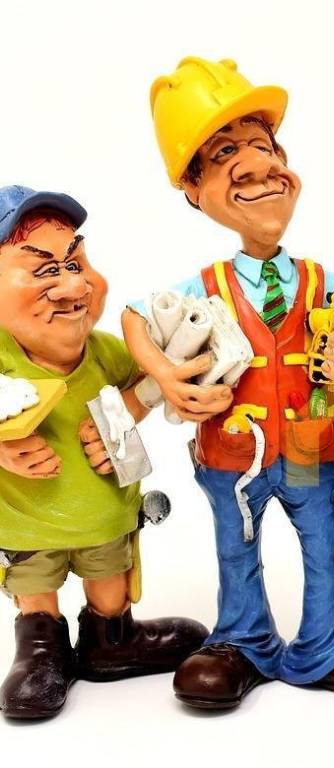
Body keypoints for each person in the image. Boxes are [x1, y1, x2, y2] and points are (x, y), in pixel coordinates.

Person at [121, 56, 334, 711]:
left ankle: (328, 646)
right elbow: (134, 319)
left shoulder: (320, 280)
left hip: (313, 445)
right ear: (194, 190)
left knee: (324, 549)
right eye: (225, 153)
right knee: (237, 550)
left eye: (264, 147)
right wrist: (167, 376)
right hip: (234, 451)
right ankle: (242, 641)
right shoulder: (202, 288)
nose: (255, 166)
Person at [0, 185, 206, 719]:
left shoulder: (107, 354)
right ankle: (40, 650)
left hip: (105, 513)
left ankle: (110, 639)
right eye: (44, 271)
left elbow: (152, 382)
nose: (74, 285)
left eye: (75, 263)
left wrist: (134, 403)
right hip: (28, 521)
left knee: (110, 580)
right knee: (35, 587)